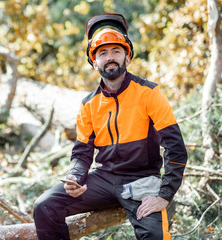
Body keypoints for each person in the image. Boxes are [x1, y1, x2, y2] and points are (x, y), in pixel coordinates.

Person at [33, 13, 188, 240]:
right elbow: (81, 152)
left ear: (128, 56)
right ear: (94, 62)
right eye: (103, 53)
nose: (110, 57)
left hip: (142, 178)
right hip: (104, 179)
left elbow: (176, 149)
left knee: (155, 236)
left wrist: (164, 195)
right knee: (45, 205)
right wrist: (75, 177)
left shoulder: (149, 93)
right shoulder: (89, 104)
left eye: (116, 51)